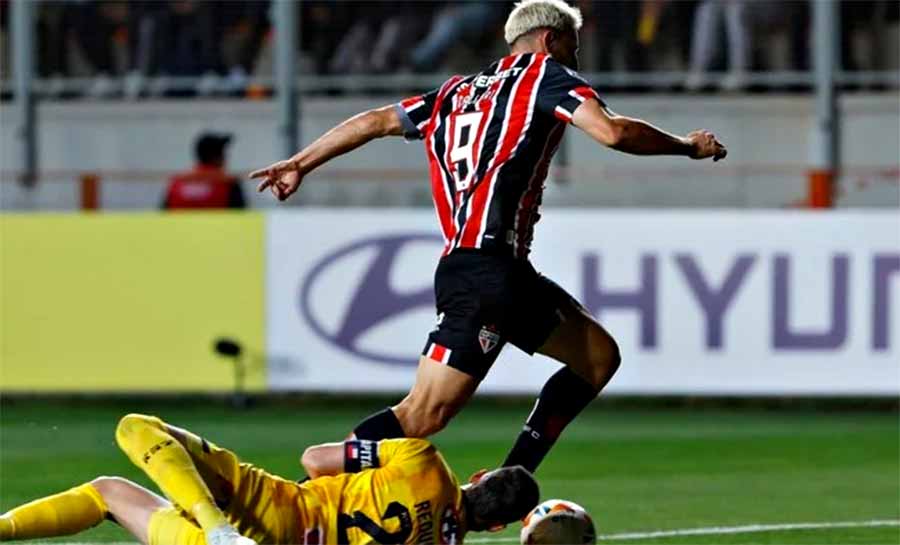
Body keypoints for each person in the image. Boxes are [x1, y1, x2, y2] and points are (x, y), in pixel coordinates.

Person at [251, 0, 726, 476]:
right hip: (482, 273)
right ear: (548, 40)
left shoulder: (454, 93)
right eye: (572, 49)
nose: (576, 62)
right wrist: (686, 146)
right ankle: (321, 474)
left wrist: (301, 162)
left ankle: (510, 480)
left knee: (598, 358)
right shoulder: (544, 74)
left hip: (506, 272)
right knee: (424, 414)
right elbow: (613, 132)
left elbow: (375, 121)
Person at [0, 413, 539, 545]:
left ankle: (216, 529)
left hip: (275, 509)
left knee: (135, 430)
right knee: (110, 495)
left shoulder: (423, 461)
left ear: (479, 475)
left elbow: (315, 459)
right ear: (495, 529)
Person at [163, 132, 246, 210]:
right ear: (216, 157)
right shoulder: (228, 183)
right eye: (222, 153)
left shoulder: (176, 183)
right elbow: (241, 218)